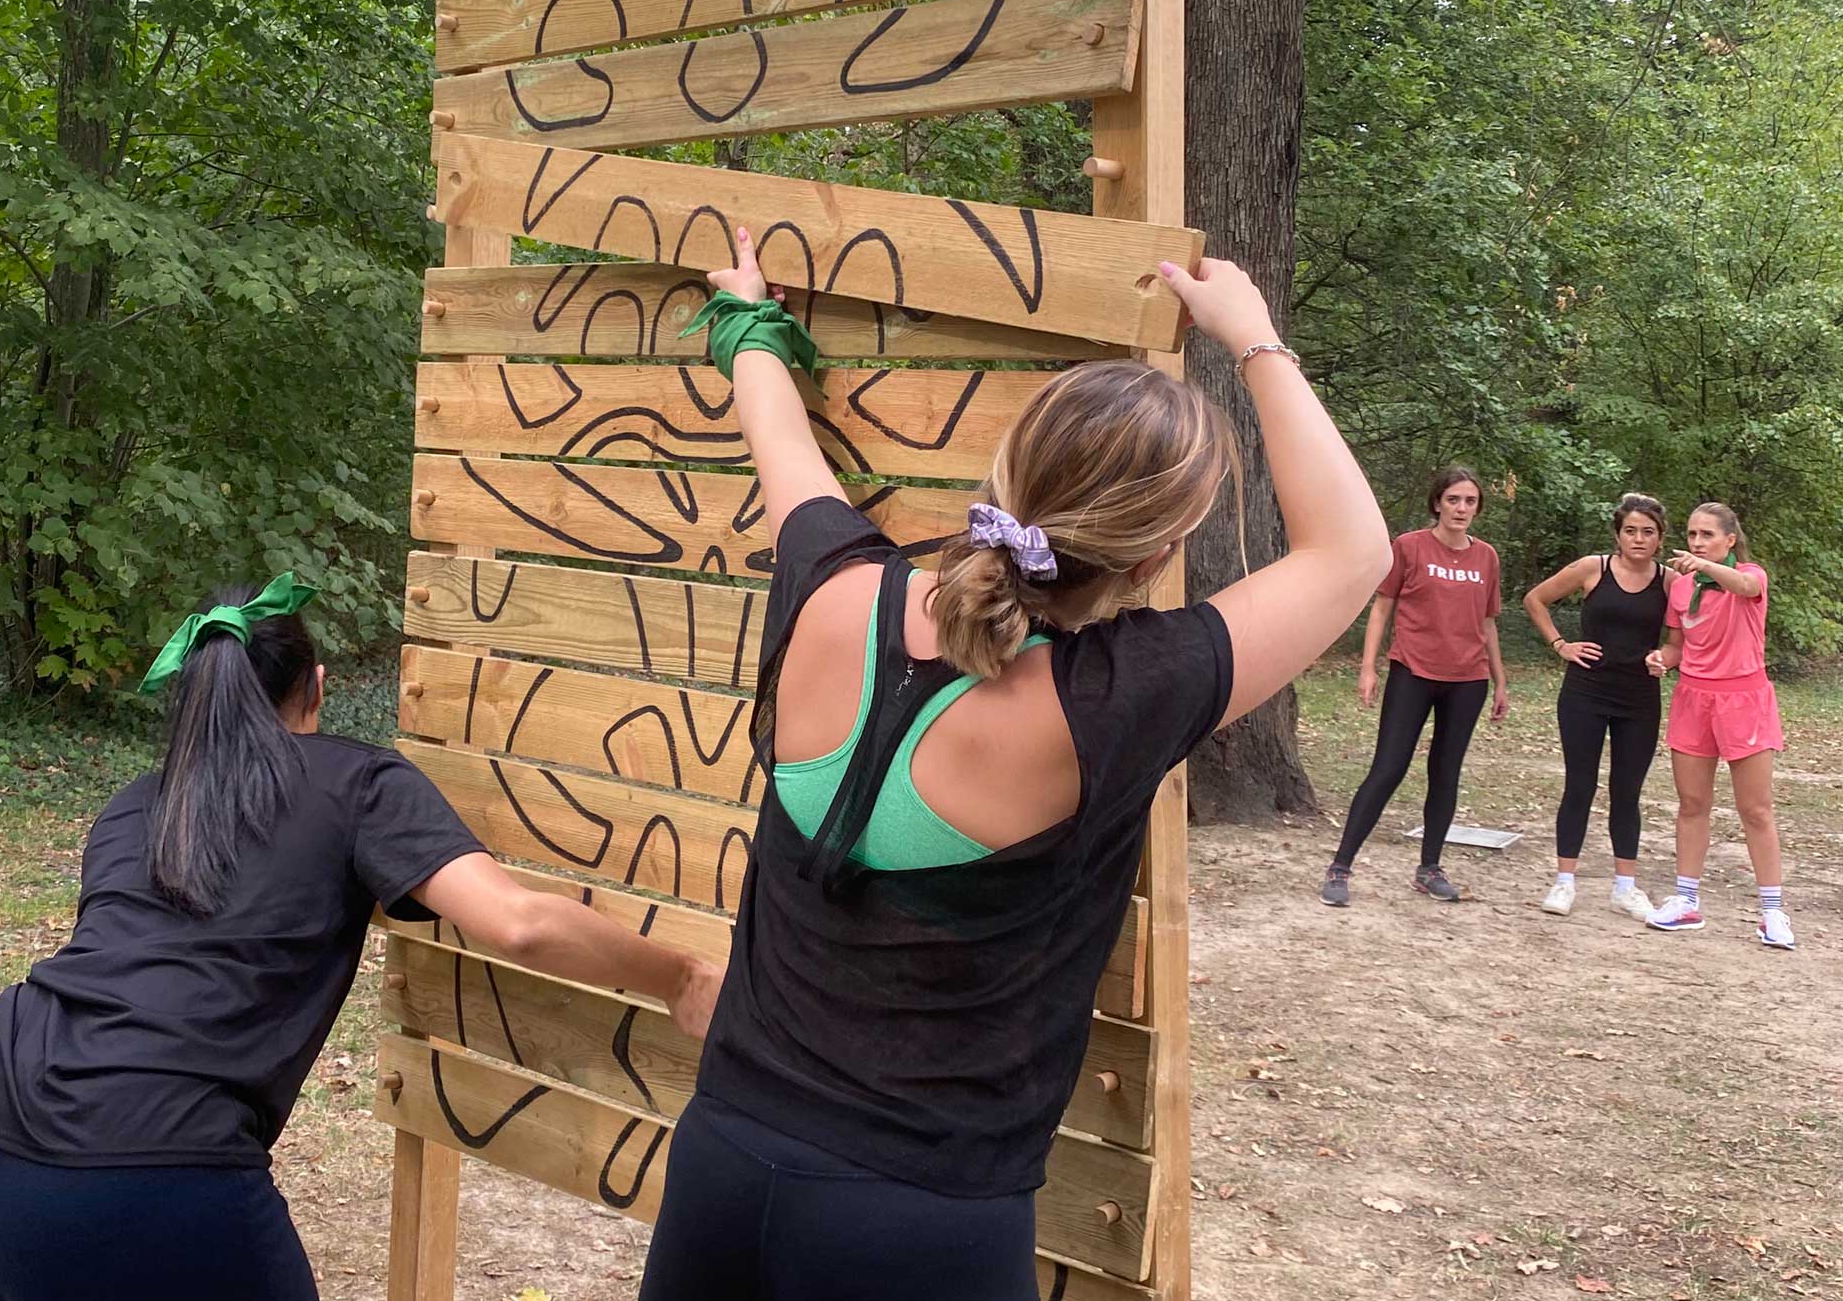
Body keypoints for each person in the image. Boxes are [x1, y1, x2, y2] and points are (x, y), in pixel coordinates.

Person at [634, 233, 1389, 1301]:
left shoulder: (830, 587)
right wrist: (1253, 337)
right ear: (1151, 557)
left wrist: (747, 321)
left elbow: (781, 442)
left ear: (1002, 476)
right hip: (923, 1223)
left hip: (723, 1165)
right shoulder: (1113, 699)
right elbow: (1353, 551)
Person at [0, 576, 722, 1301]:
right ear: (318, 690)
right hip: (140, 1175)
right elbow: (518, 923)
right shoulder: (355, 781)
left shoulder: (137, 804)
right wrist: (677, 976)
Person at [1320, 466, 1508, 907]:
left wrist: (1500, 680)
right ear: (1437, 503)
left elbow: (1488, 623)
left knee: (1445, 774)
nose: (1462, 509)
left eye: (1470, 502)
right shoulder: (1409, 547)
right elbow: (1382, 609)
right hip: (1413, 672)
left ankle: (1429, 868)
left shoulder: (1487, 558)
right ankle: (1340, 867)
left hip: (1468, 680)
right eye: (1454, 500)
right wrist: (1368, 668)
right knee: (1388, 768)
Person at [1643, 504, 1794, 948]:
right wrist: (1662, 660)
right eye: (1691, 534)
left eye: (1707, 534)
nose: (1696, 541)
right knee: (1692, 804)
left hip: (1744, 700)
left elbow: (1744, 585)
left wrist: (1706, 565)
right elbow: (1676, 644)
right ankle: (1686, 901)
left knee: (1756, 809)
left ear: (1730, 539)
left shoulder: (1749, 576)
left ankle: (1772, 912)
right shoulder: (1683, 586)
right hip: (1694, 698)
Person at [1521, 494, 1670, 923]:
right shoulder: (1593, 568)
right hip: (1585, 692)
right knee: (1580, 785)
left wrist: (1665, 656)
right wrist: (1560, 644)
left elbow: (1680, 638)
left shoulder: (1671, 581)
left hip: (1639, 697)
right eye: (1630, 531)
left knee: (1627, 792)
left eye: (1647, 532)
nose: (1638, 539)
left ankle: (1625, 888)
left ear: (1660, 538)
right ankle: (1565, 881)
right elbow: (1535, 599)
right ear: (1617, 534)